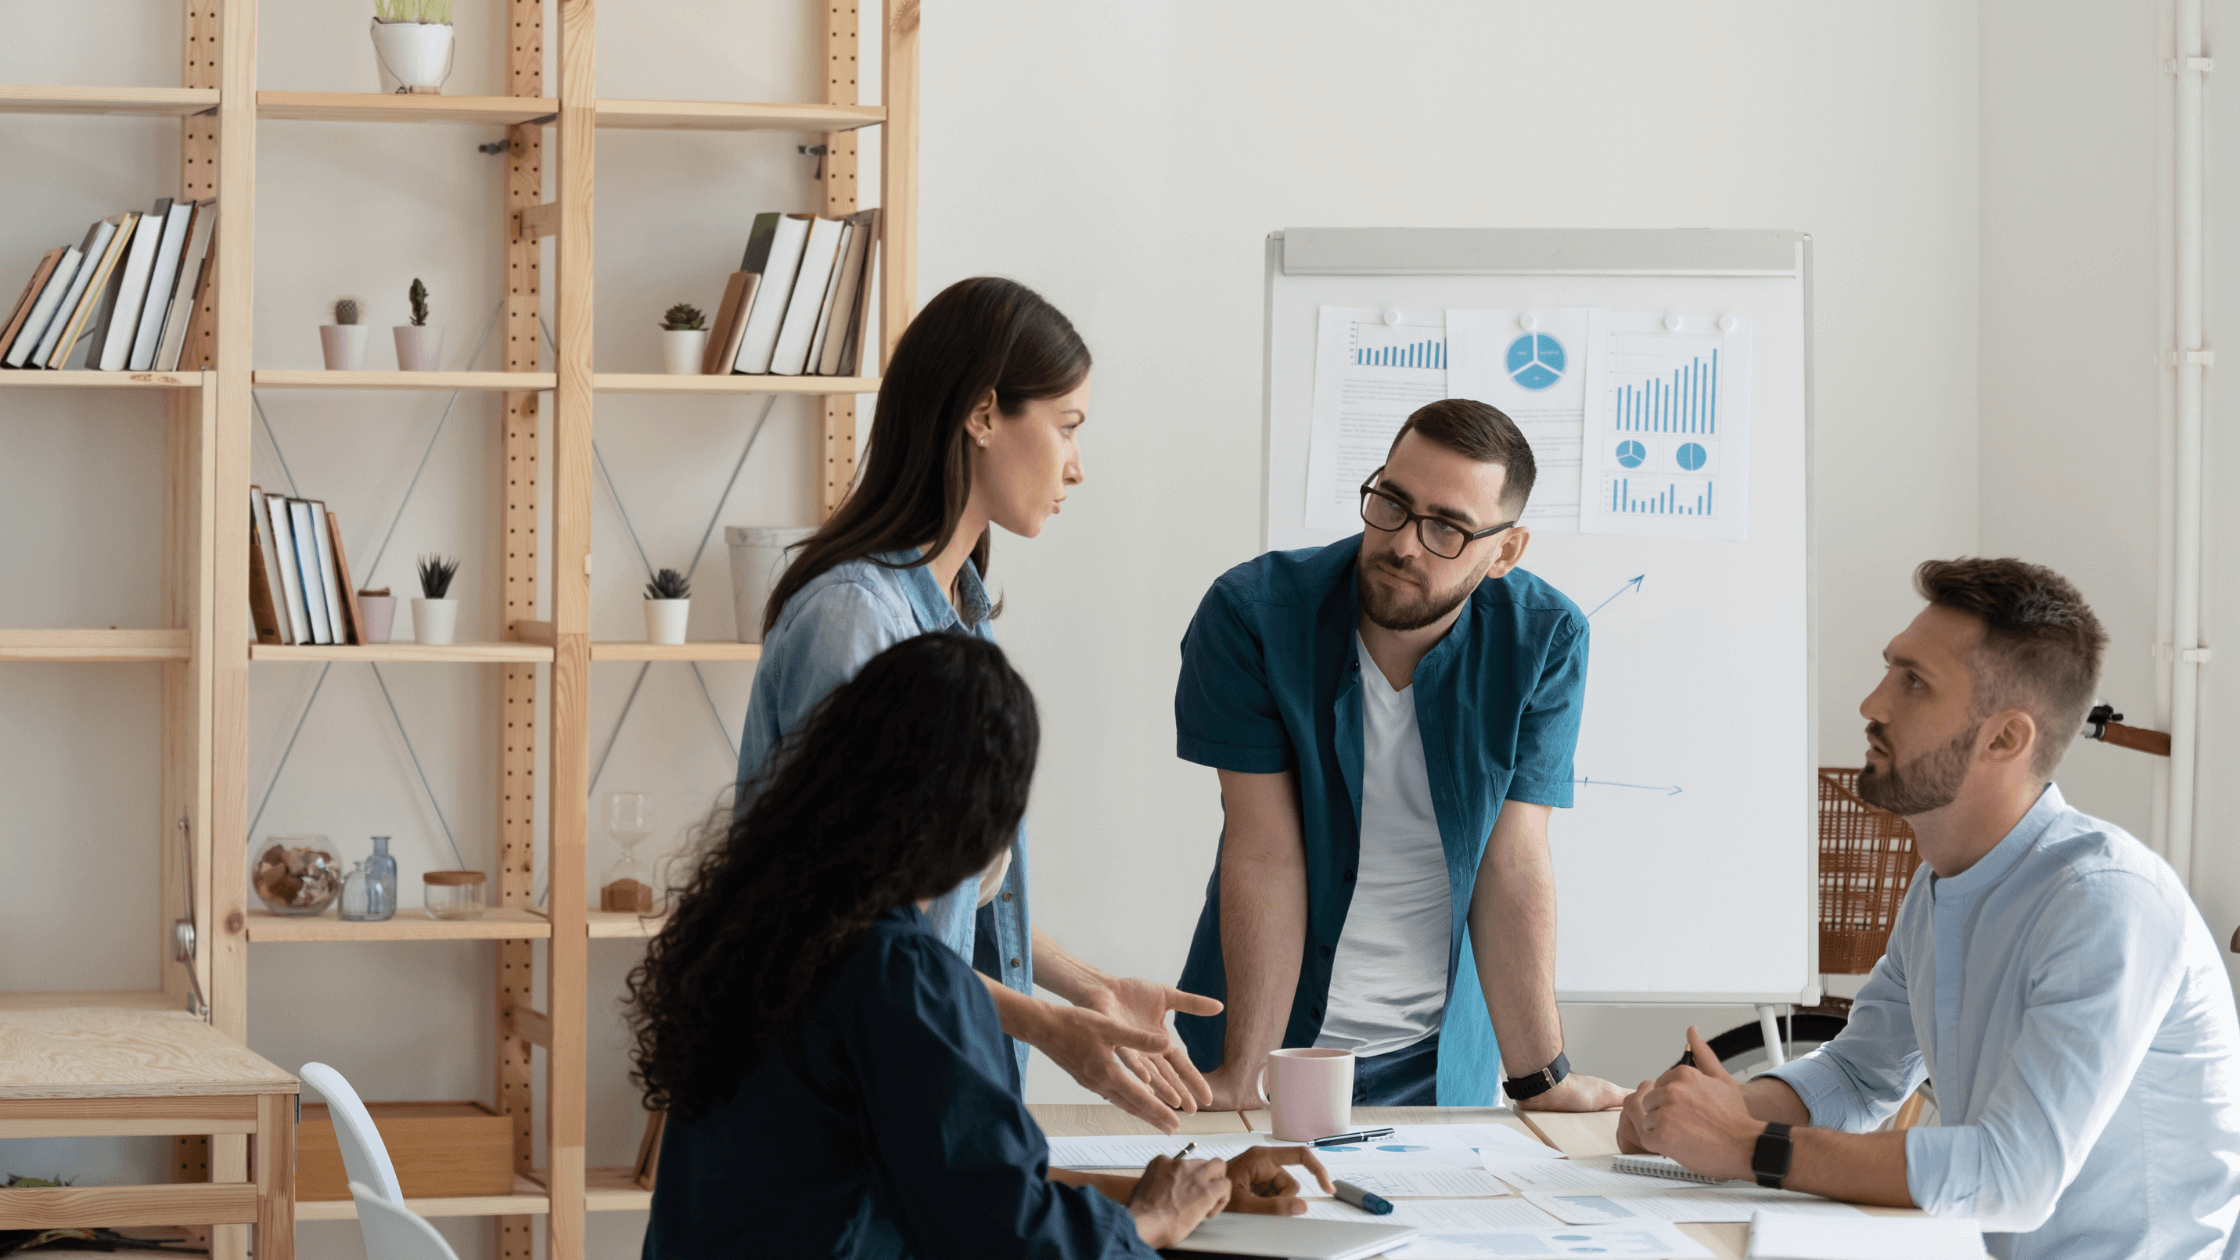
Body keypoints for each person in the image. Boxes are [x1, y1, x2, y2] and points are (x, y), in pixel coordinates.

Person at [1619, 558, 2240, 1260]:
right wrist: (1694, 1117)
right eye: (1891, 670)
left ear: (2005, 738)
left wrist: (1746, 1144)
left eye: (1913, 682)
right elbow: (1861, 1073)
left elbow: (2015, 1176)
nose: (1872, 704)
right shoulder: (1944, 882)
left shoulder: (2106, 903)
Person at [634, 634, 1329, 1260]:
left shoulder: (762, 929)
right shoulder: (900, 975)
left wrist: (1182, 1191)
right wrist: (1150, 1223)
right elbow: (1004, 1236)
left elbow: (963, 1179)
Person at [737, 275, 1220, 1132]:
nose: (1077, 464)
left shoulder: (959, 612)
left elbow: (940, 897)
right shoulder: (854, 621)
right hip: (846, 1096)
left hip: (927, 1074)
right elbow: (854, 930)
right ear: (984, 414)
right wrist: (1048, 1024)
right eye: (1066, 426)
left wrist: (1088, 988)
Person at [1173, 398, 1625, 1111]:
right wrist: (1243, 1073)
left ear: (1505, 551)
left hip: (1439, 1063)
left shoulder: (1544, 640)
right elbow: (1264, 850)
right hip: (1266, 1045)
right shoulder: (1253, 615)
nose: (1406, 544)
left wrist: (1542, 1081)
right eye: (1391, 502)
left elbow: (1512, 861)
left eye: (1447, 526)